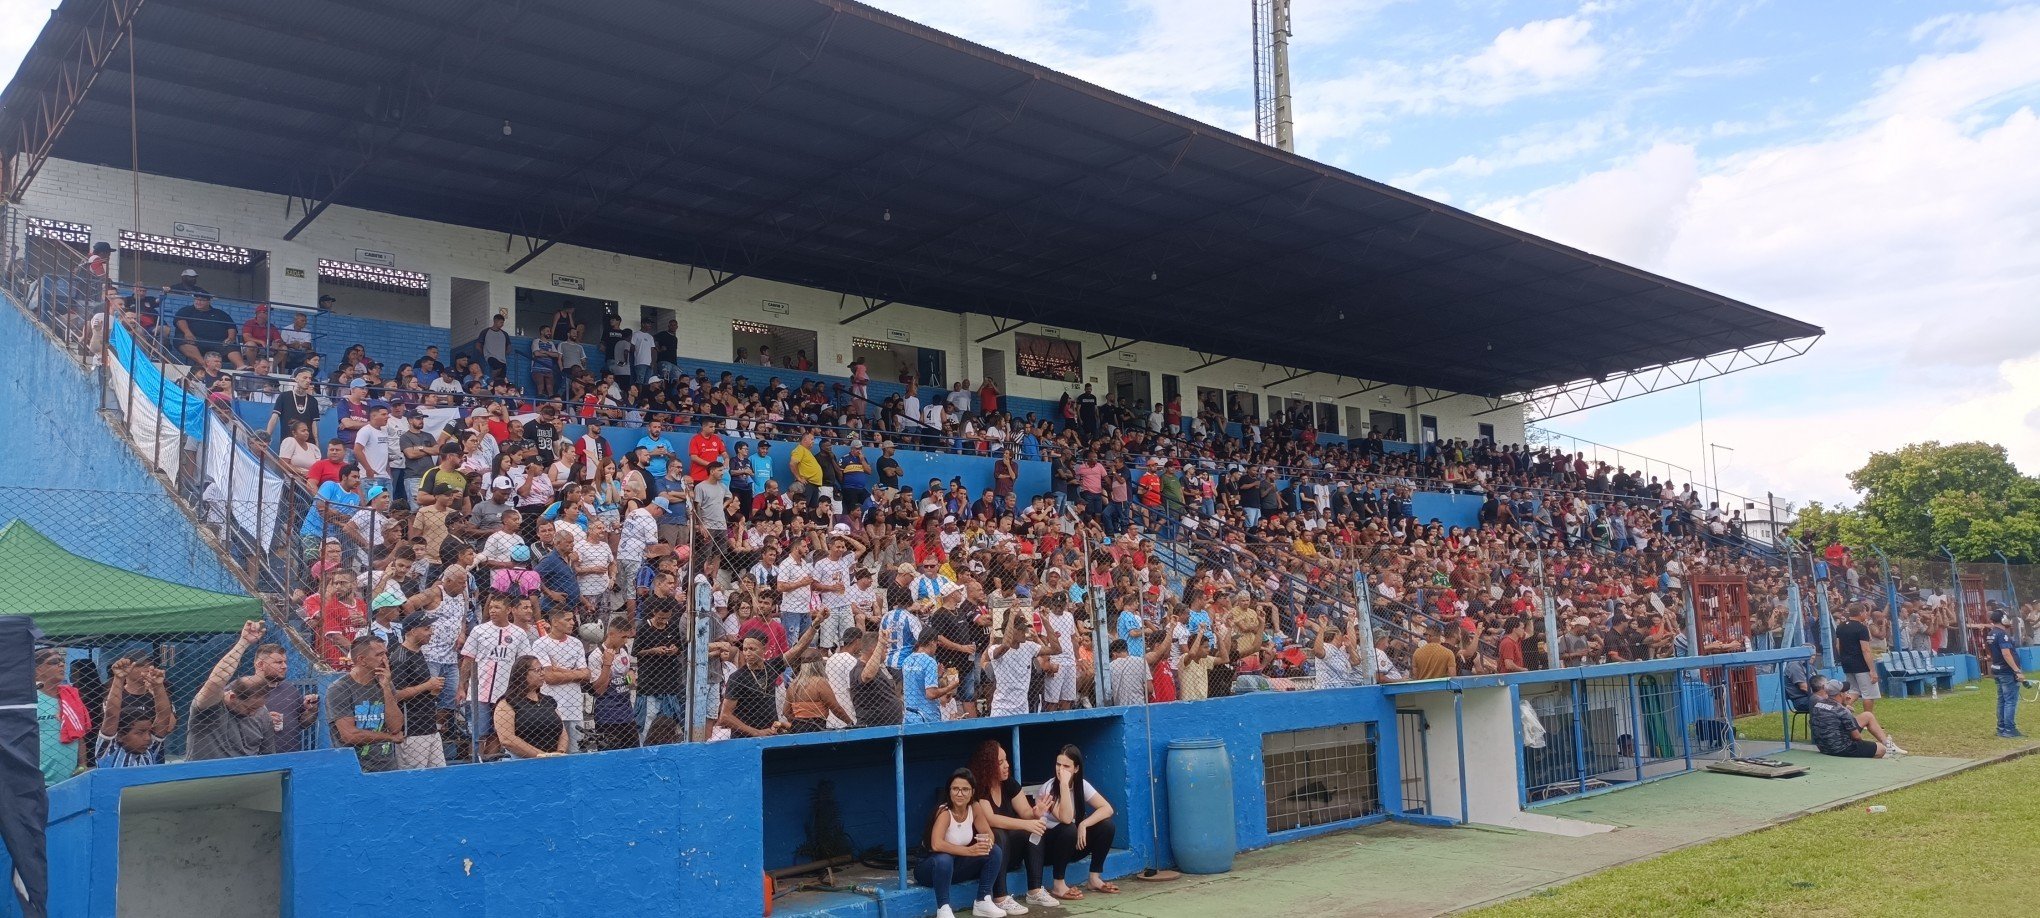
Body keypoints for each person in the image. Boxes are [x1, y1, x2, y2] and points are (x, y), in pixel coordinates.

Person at [969, 740, 1055, 911]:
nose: (1006, 765)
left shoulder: (1009, 783)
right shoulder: (979, 787)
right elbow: (990, 819)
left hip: (1010, 852)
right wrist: (1027, 823)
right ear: (988, 766)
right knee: (999, 833)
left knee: (1033, 830)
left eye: (1006, 760)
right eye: (1000, 763)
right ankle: (1000, 897)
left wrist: (1036, 813)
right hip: (985, 853)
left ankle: (1035, 890)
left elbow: (1025, 811)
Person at [917, 768, 1008, 918]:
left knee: (994, 851)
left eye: (965, 789)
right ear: (949, 791)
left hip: (955, 867)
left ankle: (983, 901)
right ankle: (943, 908)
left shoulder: (975, 807)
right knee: (944, 859)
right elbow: (936, 845)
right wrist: (970, 851)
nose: (959, 794)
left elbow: (988, 833)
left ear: (972, 791)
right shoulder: (945, 812)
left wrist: (986, 842)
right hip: (930, 869)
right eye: (955, 789)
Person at [187, 621, 283, 761]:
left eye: (258, 707)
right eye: (249, 708)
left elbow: (268, 757)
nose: (254, 713)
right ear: (232, 697)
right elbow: (216, 680)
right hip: (205, 778)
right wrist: (243, 642)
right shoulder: (209, 707)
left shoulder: (261, 713)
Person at [1037, 745, 1118, 900]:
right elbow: (1066, 818)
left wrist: (1084, 824)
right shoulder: (1049, 789)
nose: (1061, 770)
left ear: (1076, 769)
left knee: (1107, 826)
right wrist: (1063, 785)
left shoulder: (1081, 784)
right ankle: (1058, 885)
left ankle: (1094, 879)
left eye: (1066, 766)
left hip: (1072, 846)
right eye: (1058, 765)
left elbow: (1107, 808)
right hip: (1050, 850)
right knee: (1068, 828)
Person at [459, 594, 532, 760]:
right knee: (478, 733)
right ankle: (474, 763)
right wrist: (461, 686)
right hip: (479, 692)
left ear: (508, 610)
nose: (492, 610)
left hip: (506, 694)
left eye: (497, 607)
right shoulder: (479, 630)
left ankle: (490, 763)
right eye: (491, 607)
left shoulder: (519, 634)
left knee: (499, 732)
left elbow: (524, 663)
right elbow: (468, 660)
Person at [325, 635, 404, 773]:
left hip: (386, 765)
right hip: (353, 767)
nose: (385, 659)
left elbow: (396, 726)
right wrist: (389, 737)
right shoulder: (339, 689)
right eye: (379, 654)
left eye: (385, 653)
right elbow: (349, 735)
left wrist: (385, 687)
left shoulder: (385, 683)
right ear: (362, 660)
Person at [389, 611, 448, 769]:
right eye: (427, 628)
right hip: (412, 731)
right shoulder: (400, 657)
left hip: (430, 727)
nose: (431, 632)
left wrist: (431, 690)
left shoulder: (418, 652)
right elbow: (396, 695)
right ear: (413, 631)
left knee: (441, 776)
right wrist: (427, 686)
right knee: (415, 780)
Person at [95, 658, 173, 768]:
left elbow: (163, 716)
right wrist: (119, 678)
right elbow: (112, 715)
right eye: (140, 733)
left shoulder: (150, 749)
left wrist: (158, 686)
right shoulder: (108, 751)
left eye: (149, 732)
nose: (148, 738)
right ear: (120, 736)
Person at [493, 656, 568, 758]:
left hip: (555, 760)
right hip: (523, 762)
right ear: (522, 674)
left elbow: (562, 732)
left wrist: (560, 752)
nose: (542, 673)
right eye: (537, 670)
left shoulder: (548, 701)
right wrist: (543, 755)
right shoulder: (507, 703)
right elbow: (507, 739)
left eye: (542, 669)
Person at [35, 648, 91, 785]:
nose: (61, 665)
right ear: (37, 670)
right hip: (36, 781)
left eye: (62, 661)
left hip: (70, 779)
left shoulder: (70, 696)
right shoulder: (30, 700)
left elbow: (79, 734)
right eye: (54, 662)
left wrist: (83, 764)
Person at [588, 616, 640, 751]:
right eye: (623, 637)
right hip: (607, 716)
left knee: (634, 755)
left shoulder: (624, 650)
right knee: (609, 759)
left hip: (627, 713)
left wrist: (631, 672)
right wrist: (607, 664)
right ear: (611, 634)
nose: (626, 641)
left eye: (627, 637)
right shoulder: (596, 655)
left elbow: (627, 670)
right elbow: (598, 690)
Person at [1985, 610, 2027, 739]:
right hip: (2006, 671)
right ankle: (2009, 729)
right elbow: (2006, 653)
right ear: (2003, 619)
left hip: (1998, 670)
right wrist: (2017, 670)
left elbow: (1990, 652)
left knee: (2002, 700)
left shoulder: (1991, 633)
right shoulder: (2003, 634)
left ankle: (2001, 728)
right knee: (2010, 700)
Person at [1834, 605, 1878, 712]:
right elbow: (1865, 649)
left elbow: (1837, 646)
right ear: (1861, 613)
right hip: (1861, 665)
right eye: (1865, 612)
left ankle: (1839, 711)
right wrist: (1872, 670)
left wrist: (1844, 658)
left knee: (1854, 691)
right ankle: (1868, 721)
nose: (1867, 614)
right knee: (1868, 694)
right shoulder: (1861, 628)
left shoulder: (1840, 627)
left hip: (1847, 663)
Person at [1782, 648, 1822, 714]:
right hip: (1801, 700)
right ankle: (1821, 724)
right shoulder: (1794, 665)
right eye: (1811, 654)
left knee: (1836, 698)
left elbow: (1820, 682)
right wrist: (1821, 695)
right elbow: (1804, 687)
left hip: (1812, 697)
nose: (1813, 657)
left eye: (1814, 655)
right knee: (1829, 703)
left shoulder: (1810, 666)